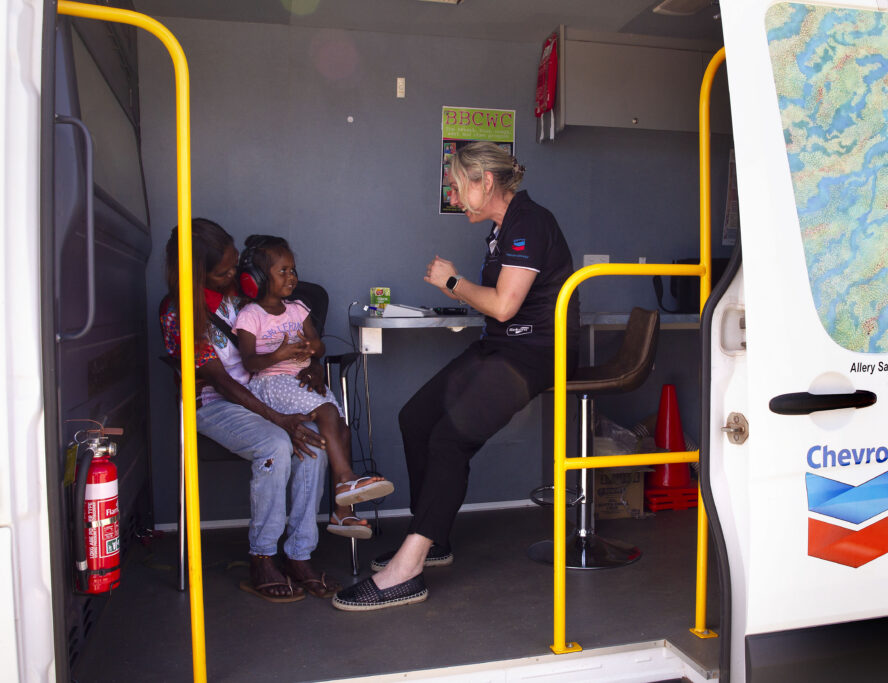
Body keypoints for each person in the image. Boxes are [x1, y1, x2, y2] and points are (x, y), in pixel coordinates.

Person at [333, 141, 580, 611]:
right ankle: (436, 537)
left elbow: (505, 305)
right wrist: (462, 289)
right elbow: (501, 307)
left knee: (449, 439)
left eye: (455, 184)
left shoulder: (529, 222)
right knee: (415, 418)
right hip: (502, 346)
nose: (453, 193)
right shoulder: (501, 229)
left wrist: (452, 282)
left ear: (484, 182)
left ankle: (409, 569)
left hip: (534, 354)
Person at [160, 218, 339, 602]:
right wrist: (280, 420)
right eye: (223, 271)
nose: (232, 276)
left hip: (266, 391)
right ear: (198, 273)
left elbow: (286, 337)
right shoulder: (180, 313)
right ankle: (263, 556)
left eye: (234, 265)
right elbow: (222, 382)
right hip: (215, 404)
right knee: (277, 444)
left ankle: (299, 554)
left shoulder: (241, 298)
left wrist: (310, 365)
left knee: (316, 442)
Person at [233, 234, 394, 539]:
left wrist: (312, 348)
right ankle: (346, 478)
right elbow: (249, 363)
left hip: (300, 381)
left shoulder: (297, 309)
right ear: (257, 279)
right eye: (283, 271)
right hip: (271, 383)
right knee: (328, 413)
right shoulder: (250, 315)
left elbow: (319, 347)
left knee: (342, 429)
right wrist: (279, 354)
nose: (292, 277)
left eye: (293, 270)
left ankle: (341, 514)